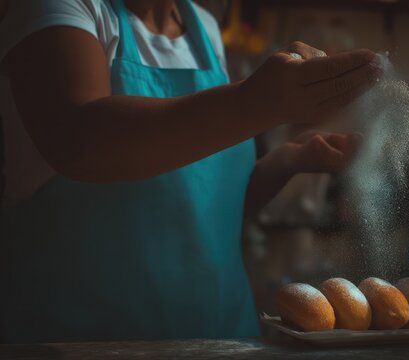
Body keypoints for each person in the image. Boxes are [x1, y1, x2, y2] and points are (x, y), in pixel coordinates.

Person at [0, 0, 378, 343]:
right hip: (87, 345)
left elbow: (202, 214)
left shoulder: (205, 29)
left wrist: (291, 160)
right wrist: (257, 104)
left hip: (221, 340)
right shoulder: (58, 9)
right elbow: (79, 142)